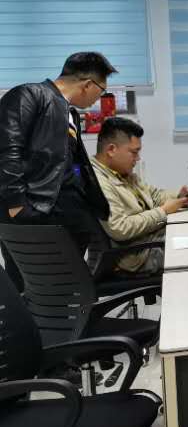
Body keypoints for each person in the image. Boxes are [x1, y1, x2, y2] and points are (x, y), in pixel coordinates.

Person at [0, 52, 115, 285]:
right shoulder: (30, 95)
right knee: (33, 286)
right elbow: (7, 150)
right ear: (88, 84)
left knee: (64, 285)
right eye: (101, 90)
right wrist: (16, 205)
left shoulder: (68, 112)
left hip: (63, 212)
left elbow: (67, 164)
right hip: (34, 213)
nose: (99, 97)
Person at [92, 117, 188, 276]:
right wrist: (163, 212)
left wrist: (179, 197)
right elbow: (120, 228)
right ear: (111, 150)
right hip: (138, 257)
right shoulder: (98, 181)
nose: (138, 158)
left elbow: (153, 196)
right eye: (134, 152)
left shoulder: (121, 172)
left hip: (151, 240)